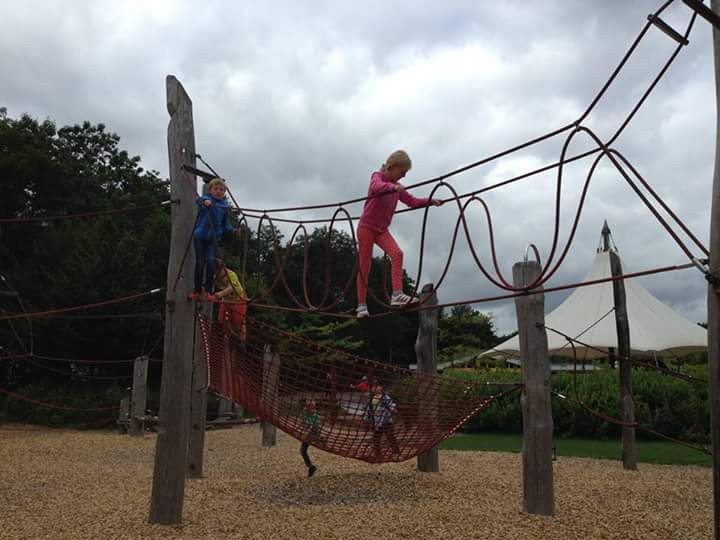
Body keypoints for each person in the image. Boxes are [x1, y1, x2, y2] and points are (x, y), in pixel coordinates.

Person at [355, 150, 443, 318]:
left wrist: (430, 201)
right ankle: (361, 306)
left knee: (397, 254)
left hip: (382, 230)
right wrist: (394, 187)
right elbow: (376, 187)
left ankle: (397, 294)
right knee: (365, 265)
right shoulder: (378, 176)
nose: (403, 176)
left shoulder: (397, 187)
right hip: (366, 227)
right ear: (393, 166)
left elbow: (412, 201)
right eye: (402, 171)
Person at [189, 177, 238, 300]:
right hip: (200, 236)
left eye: (221, 189)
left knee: (211, 262)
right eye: (215, 189)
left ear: (224, 192)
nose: (218, 191)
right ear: (210, 190)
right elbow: (199, 200)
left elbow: (225, 224)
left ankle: (208, 291)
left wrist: (232, 230)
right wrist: (205, 201)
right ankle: (197, 290)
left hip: (214, 239)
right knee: (200, 263)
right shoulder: (207, 200)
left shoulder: (224, 206)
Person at [214, 259, 248, 340]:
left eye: (217, 272)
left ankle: (241, 341)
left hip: (238, 300)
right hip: (227, 300)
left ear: (223, 269)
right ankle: (229, 336)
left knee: (239, 322)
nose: (216, 275)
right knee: (221, 319)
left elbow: (231, 288)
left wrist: (221, 293)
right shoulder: (215, 276)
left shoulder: (231, 274)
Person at [365, 382, 401, 459]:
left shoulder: (385, 397)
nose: (374, 388)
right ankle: (378, 454)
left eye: (376, 386)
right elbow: (369, 409)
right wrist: (367, 418)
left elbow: (391, 405)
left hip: (386, 420)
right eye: (373, 387)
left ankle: (397, 453)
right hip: (377, 422)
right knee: (376, 439)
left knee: (390, 437)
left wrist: (394, 409)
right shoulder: (372, 398)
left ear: (381, 387)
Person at [299, 398, 322, 477]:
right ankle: (311, 467)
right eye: (308, 406)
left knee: (303, 449)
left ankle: (321, 440)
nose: (309, 408)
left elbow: (312, 427)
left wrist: (305, 433)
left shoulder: (315, 416)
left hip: (313, 434)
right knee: (302, 451)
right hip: (307, 434)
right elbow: (301, 421)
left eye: (311, 406)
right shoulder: (304, 412)